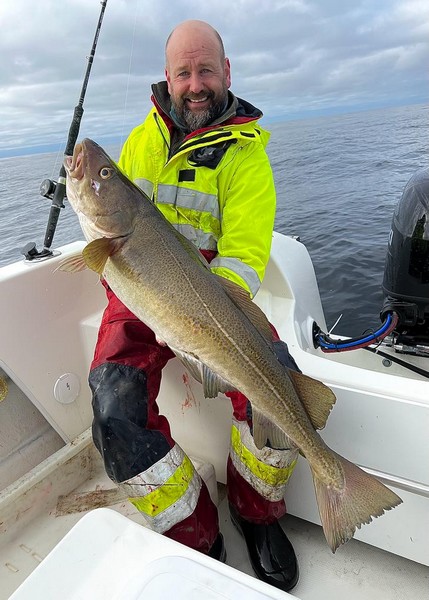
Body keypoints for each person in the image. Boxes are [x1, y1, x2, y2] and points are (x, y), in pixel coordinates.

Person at [89, 19, 299, 593]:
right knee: (112, 408)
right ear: (168, 77)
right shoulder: (138, 142)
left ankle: (256, 514)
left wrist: (198, 327)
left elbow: (244, 261)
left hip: (212, 305)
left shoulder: (247, 158)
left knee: (281, 386)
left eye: (206, 69)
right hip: (140, 297)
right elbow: (117, 238)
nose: (196, 83)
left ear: (226, 73)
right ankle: (195, 533)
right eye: (184, 72)